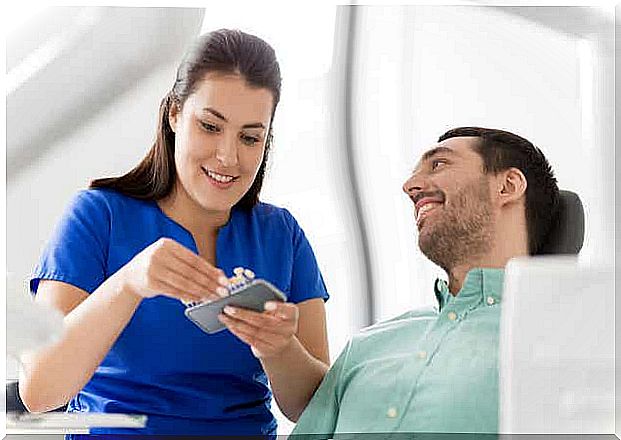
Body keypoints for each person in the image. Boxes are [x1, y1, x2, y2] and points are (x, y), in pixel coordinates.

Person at [20, 29, 330, 437]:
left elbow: (314, 408)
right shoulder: (99, 216)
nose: (228, 156)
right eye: (210, 126)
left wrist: (279, 347)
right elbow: (39, 391)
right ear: (174, 115)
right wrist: (130, 283)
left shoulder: (282, 235)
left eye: (250, 137)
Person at [291, 127, 559, 437]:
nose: (410, 186)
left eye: (439, 164)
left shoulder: (556, 344)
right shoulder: (366, 346)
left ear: (507, 186)